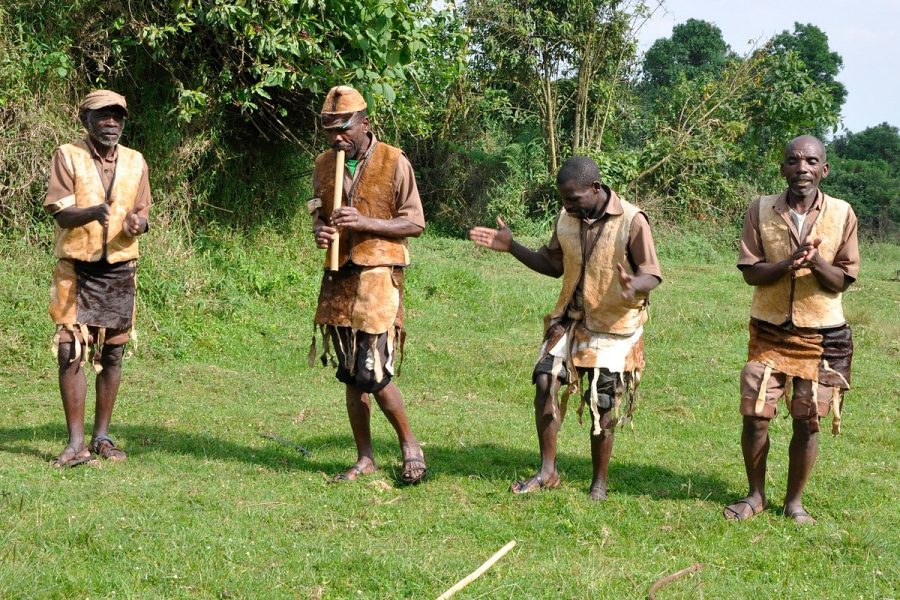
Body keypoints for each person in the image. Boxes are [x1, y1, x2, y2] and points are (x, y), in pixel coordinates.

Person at [469, 156, 662, 500]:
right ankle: (548, 471)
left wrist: (636, 284)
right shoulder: (567, 218)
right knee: (545, 381)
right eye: (563, 199)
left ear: (596, 189)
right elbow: (552, 264)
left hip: (614, 326)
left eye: (573, 198)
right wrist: (512, 247)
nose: (567, 205)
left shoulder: (632, 220)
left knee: (602, 401)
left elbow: (653, 271)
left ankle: (599, 483)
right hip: (571, 321)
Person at [724, 135, 858, 525]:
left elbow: (843, 279)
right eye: (794, 161)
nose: (803, 168)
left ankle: (794, 503)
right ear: (782, 168)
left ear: (824, 169)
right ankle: (755, 495)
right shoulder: (760, 209)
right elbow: (751, 273)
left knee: (809, 418)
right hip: (768, 331)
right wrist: (786, 264)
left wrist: (815, 262)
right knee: (755, 414)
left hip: (824, 335)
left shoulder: (842, 213)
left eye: (811, 161)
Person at [308, 85, 427, 485]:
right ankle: (365, 458)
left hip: (378, 276)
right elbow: (318, 213)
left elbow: (414, 222)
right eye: (329, 130)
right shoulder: (325, 163)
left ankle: (410, 445)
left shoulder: (394, 161)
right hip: (338, 276)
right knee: (348, 371)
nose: (336, 138)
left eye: (343, 128)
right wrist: (322, 231)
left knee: (372, 370)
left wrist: (365, 222)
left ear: (364, 123)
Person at [44, 90, 151, 466]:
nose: (111, 123)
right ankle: (76, 443)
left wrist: (139, 223)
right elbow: (59, 212)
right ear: (85, 120)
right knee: (70, 350)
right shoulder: (68, 156)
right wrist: (91, 212)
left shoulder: (136, 161)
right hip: (77, 267)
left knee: (114, 352)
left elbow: (142, 213)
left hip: (121, 268)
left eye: (117, 117)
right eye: (102, 116)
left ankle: (102, 436)